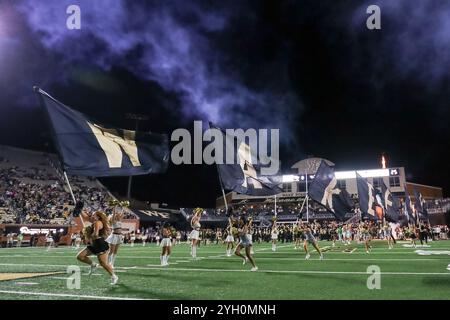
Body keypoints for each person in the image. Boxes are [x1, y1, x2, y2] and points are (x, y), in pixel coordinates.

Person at [76, 209, 118, 285]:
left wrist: (87, 233)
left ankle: (114, 276)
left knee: (103, 263)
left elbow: (95, 234)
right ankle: (93, 264)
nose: (92, 216)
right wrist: (80, 209)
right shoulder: (94, 221)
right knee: (80, 256)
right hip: (94, 244)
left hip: (99, 244)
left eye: (94, 215)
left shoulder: (97, 223)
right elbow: (85, 217)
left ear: (98, 217)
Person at [106, 201, 124, 269]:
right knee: (111, 251)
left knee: (115, 251)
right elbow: (113, 214)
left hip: (119, 236)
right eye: (117, 214)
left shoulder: (120, 220)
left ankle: (112, 263)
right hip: (114, 236)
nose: (118, 214)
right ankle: (108, 263)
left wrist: (123, 207)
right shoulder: (113, 220)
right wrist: (114, 208)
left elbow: (122, 213)